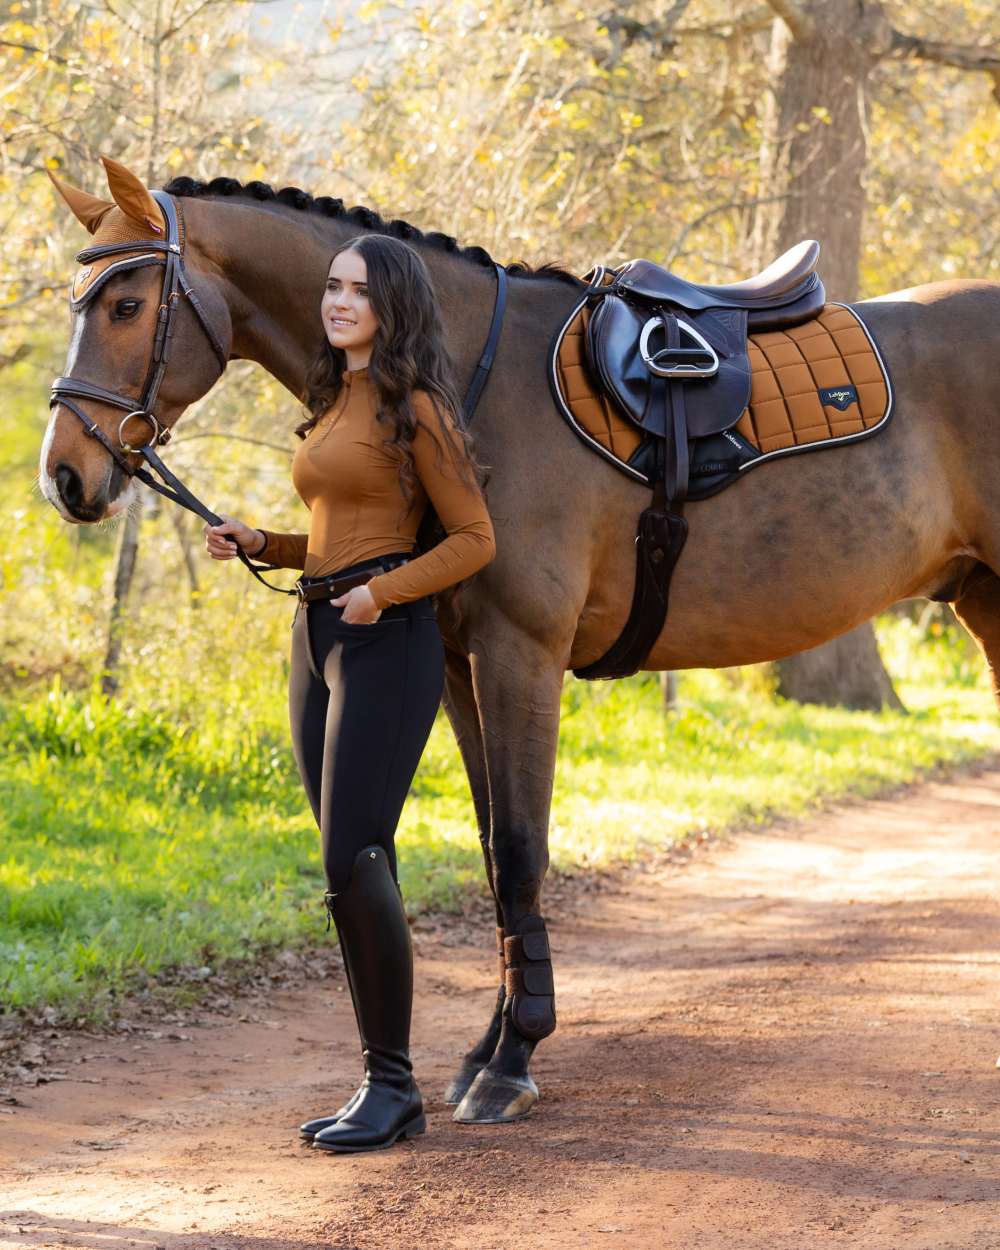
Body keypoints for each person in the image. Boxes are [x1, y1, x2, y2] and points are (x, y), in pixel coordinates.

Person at [203, 234, 496, 1154]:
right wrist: (267, 542)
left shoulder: (419, 409)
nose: (337, 303)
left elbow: (475, 538)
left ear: (391, 306)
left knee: (355, 856)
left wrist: (386, 592)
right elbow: (339, 531)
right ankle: (382, 1077)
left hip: (386, 640)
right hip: (317, 630)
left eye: (357, 291)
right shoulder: (334, 401)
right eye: (331, 286)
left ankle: (392, 1085)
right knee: (349, 868)